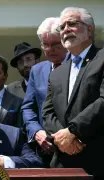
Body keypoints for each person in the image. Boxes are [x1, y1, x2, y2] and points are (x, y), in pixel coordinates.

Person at [42, 7, 104, 180]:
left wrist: (73, 132)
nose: (65, 30)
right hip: (64, 166)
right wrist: (62, 138)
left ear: (90, 30)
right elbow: (47, 113)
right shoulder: (57, 72)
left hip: (100, 166)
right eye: (62, 26)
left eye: (72, 24)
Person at [21, 17, 67, 167]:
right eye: (45, 45)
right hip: (45, 149)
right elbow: (28, 107)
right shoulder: (37, 70)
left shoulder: (77, 67)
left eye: (55, 44)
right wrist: (36, 132)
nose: (50, 49)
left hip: (73, 144)